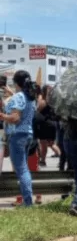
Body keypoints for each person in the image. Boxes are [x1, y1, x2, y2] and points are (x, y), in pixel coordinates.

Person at [0, 71, 37, 206]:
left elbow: (15, 118)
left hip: (17, 136)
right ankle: (27, 200)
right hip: (28, 134)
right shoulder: (30, 97)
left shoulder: (18, 97)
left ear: (16, 83)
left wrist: (2, 116)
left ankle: (28, 202)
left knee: (21, 170)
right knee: (24, 168)